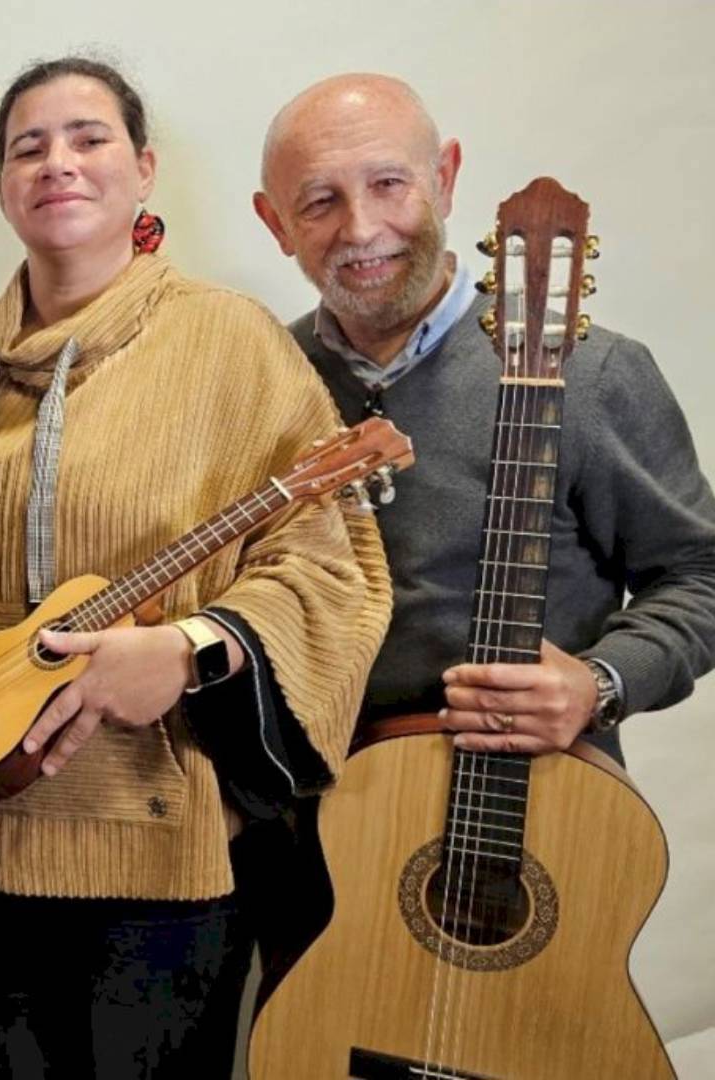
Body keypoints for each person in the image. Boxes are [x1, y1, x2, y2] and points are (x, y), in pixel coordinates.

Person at [0, 56, 391, 1078]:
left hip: (165, 849)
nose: (57, 163)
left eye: (89, 138)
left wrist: (192, 648)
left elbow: (331, 562)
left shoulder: (232, 341)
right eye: (28, 148)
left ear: (144, 169)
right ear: (4, 188)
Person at [254, 73, 715, 756]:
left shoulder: (591, 372)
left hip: (528, 802)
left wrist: (599, 683)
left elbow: (701, 575)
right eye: (321, 201)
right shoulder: (262, 380)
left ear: (444, 178)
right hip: (313, 810)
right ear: (276, 224)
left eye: (389, 183)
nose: (362, 228)